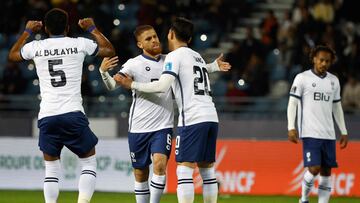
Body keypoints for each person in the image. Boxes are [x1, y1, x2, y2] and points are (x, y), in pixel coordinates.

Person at [99, 24, 230, 203]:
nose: (154, 40)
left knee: (161, 166)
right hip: (139, 125)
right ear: (140, 45)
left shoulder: (170, 58)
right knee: (140, 172)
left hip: (164, 126)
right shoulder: (134, 63)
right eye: (148, 39)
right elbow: (113, 85)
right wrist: (103, 73)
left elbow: (182, 75)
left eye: (155, 36)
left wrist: (213, 66)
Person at [8, 8, 115, 203]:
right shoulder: (79, 43)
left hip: (47, 115)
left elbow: (13, 55)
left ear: (46, 28)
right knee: (89, 162)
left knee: (51, 169)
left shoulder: (36, 46)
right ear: (67, 27)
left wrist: (27, 31)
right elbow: (109, 50)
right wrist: (92, 28)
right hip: (72, 113)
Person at [287, 45, 348, 203]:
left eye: (327, 61)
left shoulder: (334, 81)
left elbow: (337, 107)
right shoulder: (302, 78)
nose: (324, 64)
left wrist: (344, 131)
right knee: (314, 168)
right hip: (310, 132)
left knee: (327, 171)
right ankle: (304, 199)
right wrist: (291, 127)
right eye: (321, 60)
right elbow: (292, 103)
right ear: (314, 59)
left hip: (328, 133)